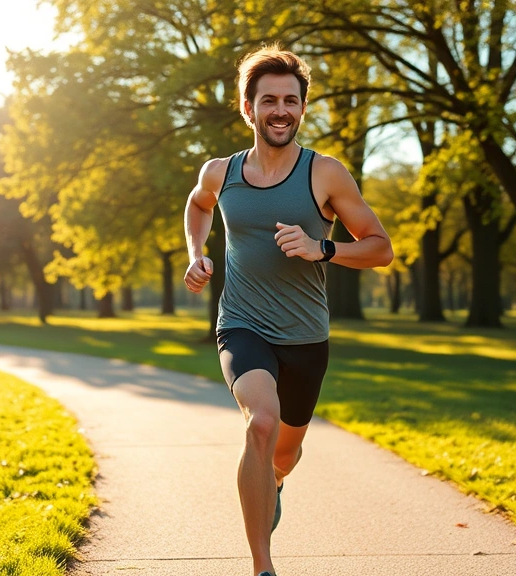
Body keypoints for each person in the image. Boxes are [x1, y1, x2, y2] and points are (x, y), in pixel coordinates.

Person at [182, 44, 393, 576]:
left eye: (292, 101)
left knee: (284, 454)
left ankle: (273, 483)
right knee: (261, 424)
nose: (282, 110)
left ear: (302, 108)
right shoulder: (220, 172)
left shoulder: (325, 174)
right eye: (269, 99)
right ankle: (262, 567)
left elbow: (380, 247)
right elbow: (197, 203)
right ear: (248, 108)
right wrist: (196, 253)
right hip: (242, 324)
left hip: (305, 337)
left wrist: (324, 248)